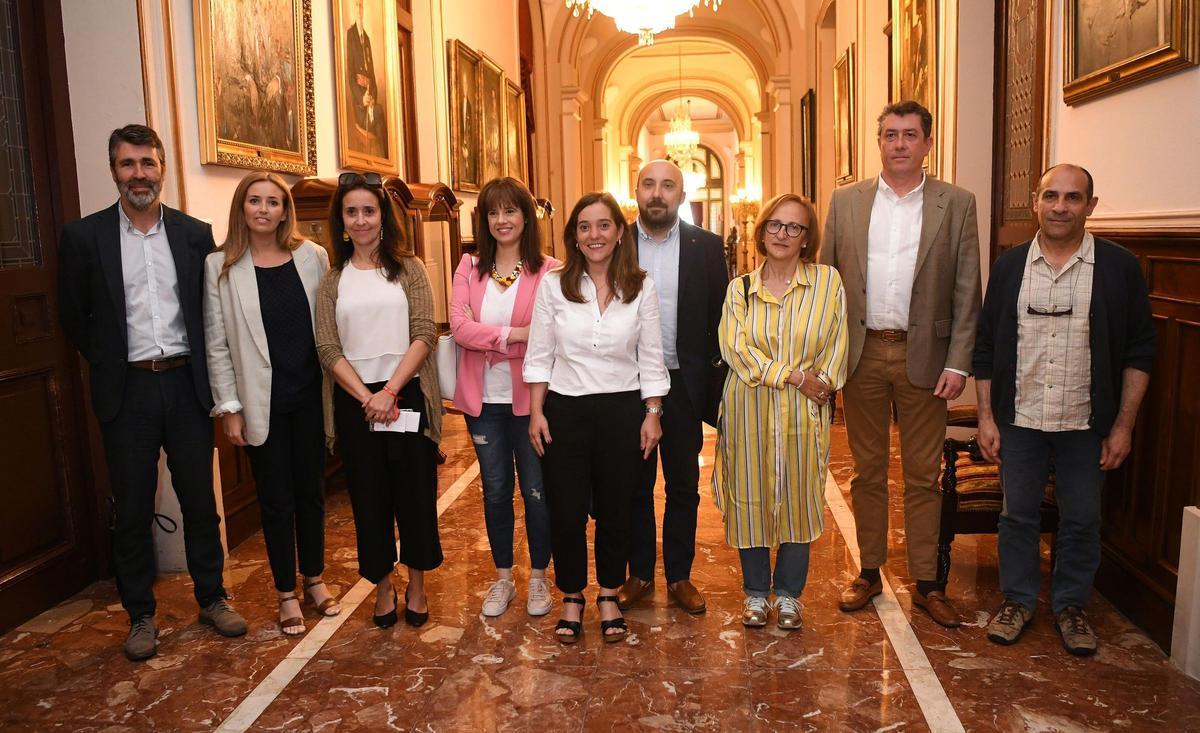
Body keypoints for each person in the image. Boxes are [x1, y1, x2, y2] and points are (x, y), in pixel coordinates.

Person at [57, 124, 246, 661]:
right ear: (113, 170)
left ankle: (212, 597)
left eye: (147, 163)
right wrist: (114, 362)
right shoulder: (84, 237)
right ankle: (140, 614)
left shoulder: (192, 234)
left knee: (200, 502)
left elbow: (210, 311)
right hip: (128, 393)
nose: (138, 174)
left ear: (163, 168)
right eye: (127, 164)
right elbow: (74, 317)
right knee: (134, 508)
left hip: (187, 388)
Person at [974, 164, 1154, 656]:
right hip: (1022, 418)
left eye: (1073, 198)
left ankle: (1072, 606)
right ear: (1036, 201)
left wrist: (1123, 426)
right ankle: (1018, 601)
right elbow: (986, 347)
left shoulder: (1118, 268)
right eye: (1051, 196)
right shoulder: (1011, 266)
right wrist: (987, 417)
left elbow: (1141, 351)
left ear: (1090, 207)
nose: (1060, 206)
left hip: (1086, 422)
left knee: (1081, 518)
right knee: (1017, 517)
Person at [820, 100, 981, 627]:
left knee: (922, 476)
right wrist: (825, 355)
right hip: (861, 353)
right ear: (879, 142)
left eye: (910, 135)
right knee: (867, 471)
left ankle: (928, 582)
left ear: (927, 143)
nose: (899, 144)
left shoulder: (956, 203)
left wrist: (959, 361)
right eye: (890, 135)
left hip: (927, 360)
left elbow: (965, 291)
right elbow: (825, 284)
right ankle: (868, 571)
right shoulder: (846, 202)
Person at [524, 192, 670, 644]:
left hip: (623, 410)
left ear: (619, 231)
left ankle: (608, 593)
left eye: (603, 225)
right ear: (574, 236)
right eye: (584, 227)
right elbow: (540, 354)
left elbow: (651, 356)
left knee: (616, 510)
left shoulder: (641, 285)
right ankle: (571, 596)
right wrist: (535, 413)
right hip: (565, 410)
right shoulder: (554, 285)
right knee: (566, 512)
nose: (594, 235)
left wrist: (652, 414)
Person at [203, 172, 340, 637]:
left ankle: (315, 580)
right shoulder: (220, 265)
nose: (264, 209)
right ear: (242, 208)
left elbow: (329, 325)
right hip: (261, 403)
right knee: (276, 500)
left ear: (286, 210)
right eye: (255, 201)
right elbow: (217, 344)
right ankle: (285, 592)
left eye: (274, 202)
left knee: (311, 494)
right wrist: (230, 407)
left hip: (308, 396)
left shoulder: (311, 257)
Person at [314, 172, 443, 629]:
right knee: (369, 501)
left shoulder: (410, 269)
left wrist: (389, 392)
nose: (362, 219)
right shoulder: (333, 280)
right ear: (342, 220)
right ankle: (384, 586)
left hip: (405, 396)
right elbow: (328, 348)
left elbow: (426, 332)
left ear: (383, 217)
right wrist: (368, 397)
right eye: (352, 212)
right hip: (356, 403)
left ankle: (418, 584)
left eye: (369, 210)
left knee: (415, 498)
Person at [715, 193, 848, 631]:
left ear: (807, 237)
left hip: (802, 414)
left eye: (794, 227)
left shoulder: (828, 283)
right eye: (775, 224)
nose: (782, 234)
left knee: (798, 498)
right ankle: (755, 593)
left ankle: (789, 595)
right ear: (762, 229)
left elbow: (836, 344)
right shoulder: (741, 289)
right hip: (748, 409)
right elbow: (736, 348)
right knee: (750, 499)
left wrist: (822, 383)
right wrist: (793, 376)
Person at [620, 159, 729, 616]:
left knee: (684, 484)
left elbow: (721, 317)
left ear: (682, 196)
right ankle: (640, 574)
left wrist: (716, 388)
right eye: (649, 185)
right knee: (634, 485)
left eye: (668, 186)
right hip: (626, 384)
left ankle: (680, 576)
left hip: (683, 383)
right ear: (636, 192)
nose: (657, 193)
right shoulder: (616, 241)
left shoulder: (706, 246)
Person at [450, 177, 559, 618]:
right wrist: (516, 335)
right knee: (495, 491)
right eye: (493, 212)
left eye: (510, 211)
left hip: (530, 403)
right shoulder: (468, 267)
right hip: (482, 403)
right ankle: (503, 580)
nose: (501, 220)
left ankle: (538, 579)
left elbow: (549, 337)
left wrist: (487, 336)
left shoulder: (549, 270)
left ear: (526, 217)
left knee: (536, 491)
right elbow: (459, 328)